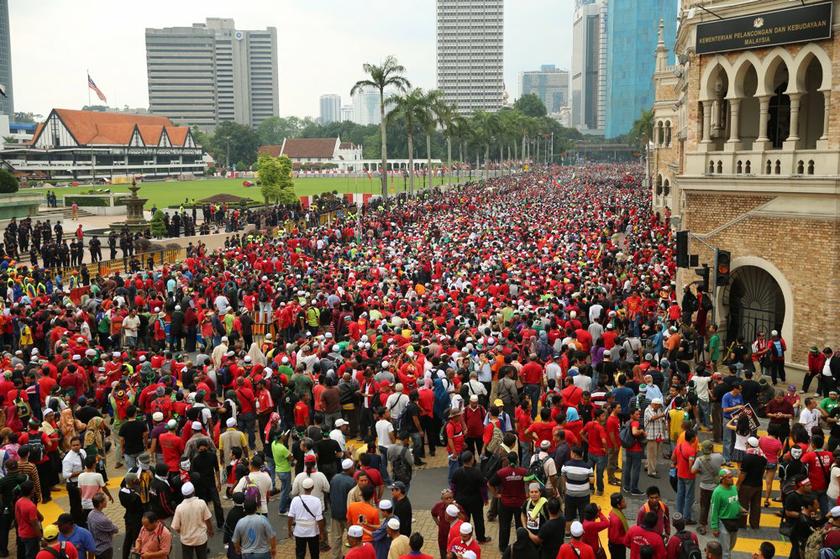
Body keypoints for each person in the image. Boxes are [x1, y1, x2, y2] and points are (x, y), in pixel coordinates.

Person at [489, 452, 527, 553]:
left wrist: (496, 495)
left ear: (508, 461)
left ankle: (503, 548)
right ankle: (521, 547)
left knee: (504, 527)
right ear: (517, 460)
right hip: (520, 503)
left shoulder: (501, 472)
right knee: (521, 527)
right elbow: (532, 482)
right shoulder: (523, 471)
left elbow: (490, 483)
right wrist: (528, 495)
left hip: (505, 503)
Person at [451, 451, 490, 544]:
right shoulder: (477, 472)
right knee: (478, 520)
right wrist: (485, 499)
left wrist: (453, 499)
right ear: (471, 460)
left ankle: (464, 537)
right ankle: (481, 538)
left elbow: (453, 487)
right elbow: (483, 488)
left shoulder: (457, 471)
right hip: (475, 501)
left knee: (464, 519)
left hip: (461, 500)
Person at [171, 482, 214, 559]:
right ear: (194, 492)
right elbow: (207, 519)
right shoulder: (201, 503)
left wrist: (183, 532)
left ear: (183, 495)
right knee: (202, 556)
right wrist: (210, 530)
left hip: (186, 540)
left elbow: (176, 527)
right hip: (200, 538)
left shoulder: (179, 508)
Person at [710, 469, 744, 559]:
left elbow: (736, 501)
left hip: (735, 522)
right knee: (725, 551)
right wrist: (714, 527)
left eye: (732, 476)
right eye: (729, 477)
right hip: (723, 523)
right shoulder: (717, 492)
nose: (732, 479)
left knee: (730, 547)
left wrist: (740, 508)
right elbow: (714, 510)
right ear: (722, 479)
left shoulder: (733, 488)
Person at [288, 477, 326, 559]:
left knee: (300, 553)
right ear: (312, 487)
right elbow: (319, 519)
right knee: (314, 553)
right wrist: (321, 533)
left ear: (303, 487)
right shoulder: (316, 500)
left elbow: (290, 517)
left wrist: (289, 529)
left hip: (299, 531)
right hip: (313, 531)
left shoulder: (295, 500)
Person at [673, 429, 697, 524]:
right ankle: (687, 517)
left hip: (680, 473)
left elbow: (673, 458)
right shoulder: (691, 450)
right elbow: (691, 466)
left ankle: (678, 515)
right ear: (692, 438)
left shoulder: (679, 446)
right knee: (688, 496)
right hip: (688, 476)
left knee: (680, 494)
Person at [15, 480, 43, 559]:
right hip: (31, 535)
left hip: (21, 533)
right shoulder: (31, 506)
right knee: (32, 555)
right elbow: (35, 525)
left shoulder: (19, 501)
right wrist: (41, 538)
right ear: (31, 491)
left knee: (25, 553)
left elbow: (17, 518)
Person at [87, 493, 119, 559]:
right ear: (100, 504)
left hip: (96, 547)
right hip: (105, 549)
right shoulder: (103, 520)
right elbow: (116, 529)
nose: (106, 501)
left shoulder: (90, 514)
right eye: (105, 500)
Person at [624, 408, 645, 496]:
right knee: (636, 469)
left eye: (639, 414)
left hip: (628, 448)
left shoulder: (627, 422)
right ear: (631, 415)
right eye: (636, 414)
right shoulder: (635, 423)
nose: (638, 416)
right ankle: (634, 489)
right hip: (636, 449)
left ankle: (626, 486)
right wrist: (641, 431)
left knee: (628, 467)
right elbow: (634, 432)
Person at [608, 493, 629, 559]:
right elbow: (614, 539)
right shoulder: (616, 519)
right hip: (617, 547)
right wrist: (627, 539)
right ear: (618, 505)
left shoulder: (615, 512)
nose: (625, 503)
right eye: (623, 502)